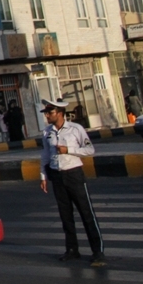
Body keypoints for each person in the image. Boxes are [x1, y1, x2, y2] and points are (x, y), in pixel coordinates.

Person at [39, 98, 104, 266]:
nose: (47, 115)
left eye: (50, 112)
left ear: (60, 113)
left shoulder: (76, 129)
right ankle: (72, 249)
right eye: (46, 113)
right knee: (65, 215)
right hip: (57, 176)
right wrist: (43, 176)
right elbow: (45, 155)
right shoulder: (47, 132)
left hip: (74, 174)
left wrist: (69, 150)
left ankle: (97, 251)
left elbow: (90, 150)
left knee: (86, 213)